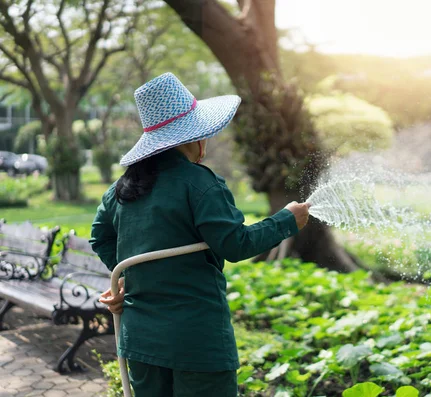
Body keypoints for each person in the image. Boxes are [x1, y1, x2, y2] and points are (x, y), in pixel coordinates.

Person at [90, 73, 310, 397]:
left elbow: (100, 237)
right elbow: (236, 244)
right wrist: (286, 221)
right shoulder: (199, 183)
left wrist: (127, 276)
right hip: (196, 340)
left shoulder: (120, 190)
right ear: (190, 138)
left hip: (140, 339)